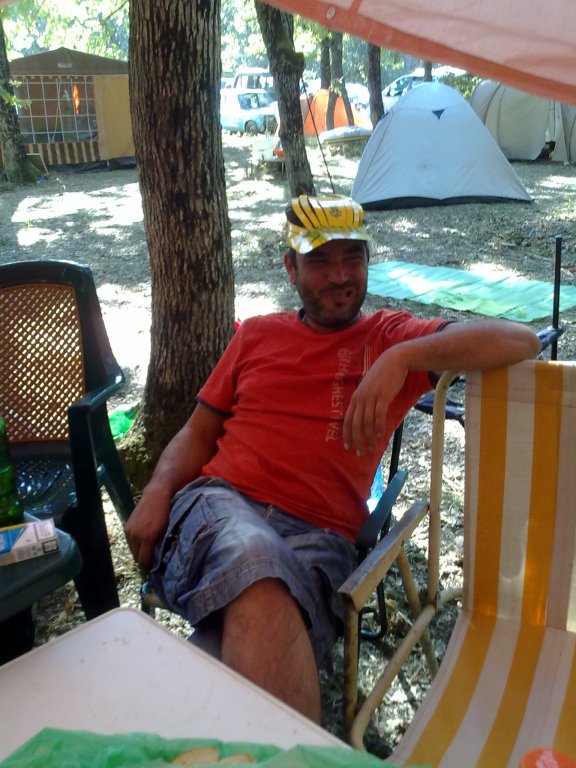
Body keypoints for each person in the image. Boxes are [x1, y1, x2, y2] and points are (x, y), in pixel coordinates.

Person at [125, 195, 540, 723]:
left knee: (222, 646)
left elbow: (520, 340)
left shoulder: (389, 337)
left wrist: (402, 357)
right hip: (217, 506)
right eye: (320, 260)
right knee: (255, 559)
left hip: (319, 538)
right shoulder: (257, 335)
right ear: (291, 268)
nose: (340, 276)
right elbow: (198, 432)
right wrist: (159, 490)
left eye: (353, 258)